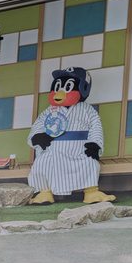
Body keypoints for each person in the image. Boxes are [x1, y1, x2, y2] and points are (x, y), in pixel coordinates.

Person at [28, 66, 116, 204]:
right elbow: (38, 125)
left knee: (90, 162)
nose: (61, 91)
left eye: (67, 87)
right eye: (58, 86)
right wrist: (38, 137)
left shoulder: (88, 110)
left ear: (83, 88)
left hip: (79, 150)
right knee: (42, 163)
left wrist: (95, 144)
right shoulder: (49, 111)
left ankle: (91, 192)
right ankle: (44, 192)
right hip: (53, 150)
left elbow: (96, 128)